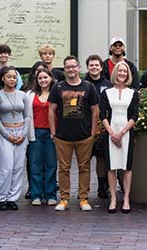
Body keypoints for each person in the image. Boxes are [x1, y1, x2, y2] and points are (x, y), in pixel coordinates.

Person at [49, 55, 101, 212]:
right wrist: (53, 132)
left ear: (79, 68)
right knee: (64, 168)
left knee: (84, 168)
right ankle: (64, 198)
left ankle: (83, 198)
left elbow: (95, 110)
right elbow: (51, 110)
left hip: (84, 135)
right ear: (64, 69)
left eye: (73, 66)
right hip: (62, 136)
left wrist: (92, 132)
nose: (71, 69)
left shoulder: (88, 87)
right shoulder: (58, 87)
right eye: (67, 67)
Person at [100, 62, 140, 213]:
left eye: (125, 71)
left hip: (126, 133)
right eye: (119, 71)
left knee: (126, 167)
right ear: (115, 73)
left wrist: (121, 133)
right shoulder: (107, 93)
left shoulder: (133, 93)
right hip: (110, 133)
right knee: (111, 167)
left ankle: (126, 199)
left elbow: (134, 115)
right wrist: (112, 133)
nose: (122, 73)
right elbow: (103, 114)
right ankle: (113, 199)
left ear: (128, 74)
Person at [0, 66, 32, 211]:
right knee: (5, 167)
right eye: (9, 77)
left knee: (18, 167)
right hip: (5, 132)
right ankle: (0, 197)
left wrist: (24, 133)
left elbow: (28, 116)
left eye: (14, 77)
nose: (12, 80)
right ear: (3, 78)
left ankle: (12, 198)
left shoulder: (23, 95)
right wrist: (7, 134)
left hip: (21, 131)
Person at [27, 69, 59, 206]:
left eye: (45, 77)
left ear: (51, 78)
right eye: (40, 78)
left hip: (51, 133)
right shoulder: (30, 95)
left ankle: (50, 195)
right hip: (35, 133)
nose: (43, 80)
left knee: (51, 165)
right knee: (35, 165)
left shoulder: (56, 93)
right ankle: (36, 195)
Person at [84, 54, 113, 200]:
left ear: (101, 68)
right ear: (87, 67)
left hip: (103, 127)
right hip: (85, 126)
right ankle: (83, 189)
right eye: (91, 65)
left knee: (102, 158)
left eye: (96, 65)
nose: (94, 68)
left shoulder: (108, 84)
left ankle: (102, 187)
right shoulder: (81, 84)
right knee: (85, 159)